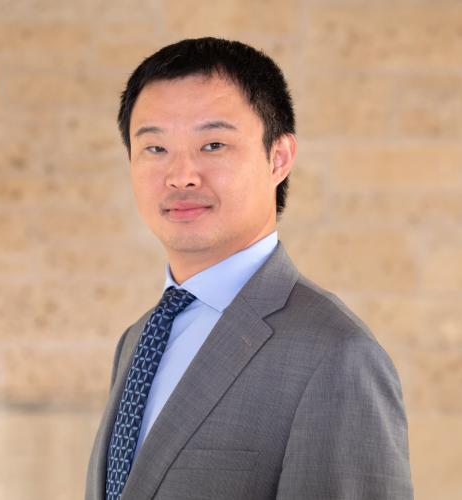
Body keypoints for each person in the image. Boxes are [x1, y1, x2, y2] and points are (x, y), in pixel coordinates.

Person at [85, 37, 413, 500]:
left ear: (278, 158)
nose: (181, 175)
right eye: (155, 149)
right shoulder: (137, 339)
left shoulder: (337, 356)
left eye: (213, 144)